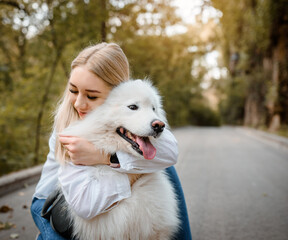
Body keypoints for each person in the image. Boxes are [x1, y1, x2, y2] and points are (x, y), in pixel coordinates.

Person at [30, 42, 192, 240]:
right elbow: (85, 205)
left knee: (158, 160)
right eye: (73, 90)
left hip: (85, 196)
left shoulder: (129, 106)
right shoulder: (71, 125)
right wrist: (135, 175)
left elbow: (170, 152)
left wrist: (106, 157)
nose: (79, 103)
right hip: (51, 202)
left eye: (91, 95)